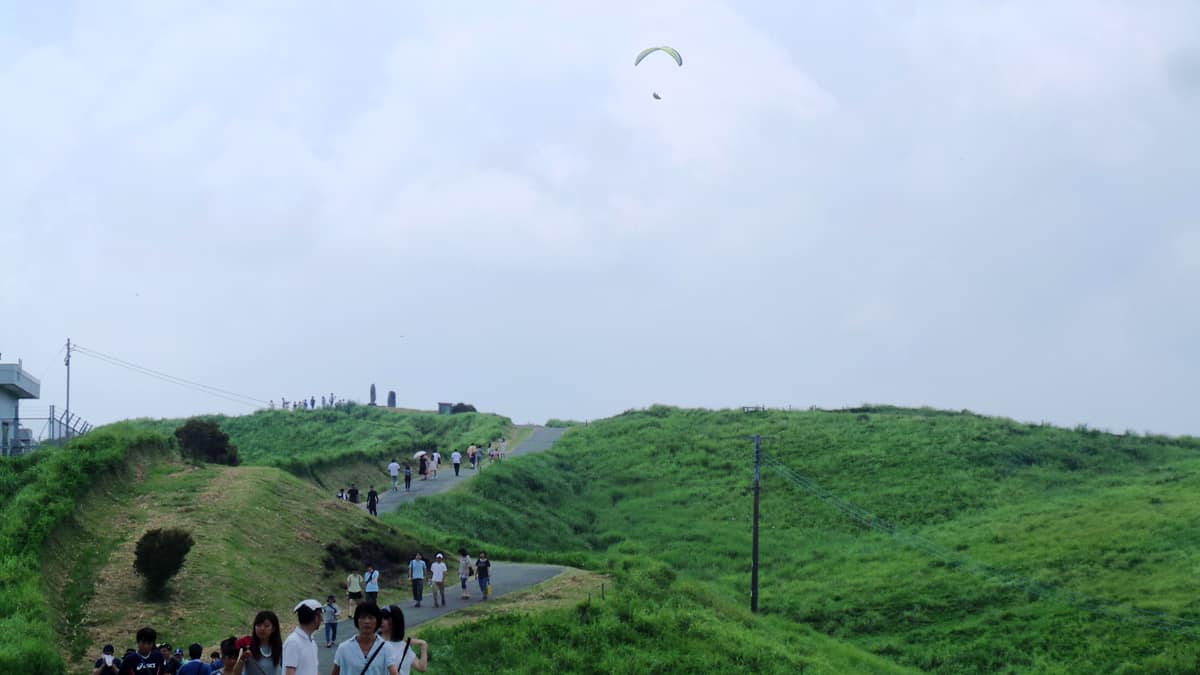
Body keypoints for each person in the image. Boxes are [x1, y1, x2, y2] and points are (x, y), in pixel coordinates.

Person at [330, 603, 389, 675]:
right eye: (363, 617)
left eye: (371, 618)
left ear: (377, 621)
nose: (367, 621)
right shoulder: (343, 648)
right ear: (357, 620)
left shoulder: (386, 648)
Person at [380, 605, 428, 674]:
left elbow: (421, 668)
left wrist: (423, 644)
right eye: (379, 617)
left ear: (395, 621)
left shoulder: (403, 646)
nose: (381, 621)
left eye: (385, 618)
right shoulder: (373, 642)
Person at [281, 599, 322, 675]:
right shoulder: (293, 642)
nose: (321, 619)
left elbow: (314, 670)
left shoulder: (311, 641)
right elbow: (289, 673)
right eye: (320, 615)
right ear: (316, 618)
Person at [244, 610, 283, 675]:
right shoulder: (247, 646)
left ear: (273, 628)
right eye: (258, 625)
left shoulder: (280, 648)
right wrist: (241, 659)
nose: (262, 628)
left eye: (266, 626)